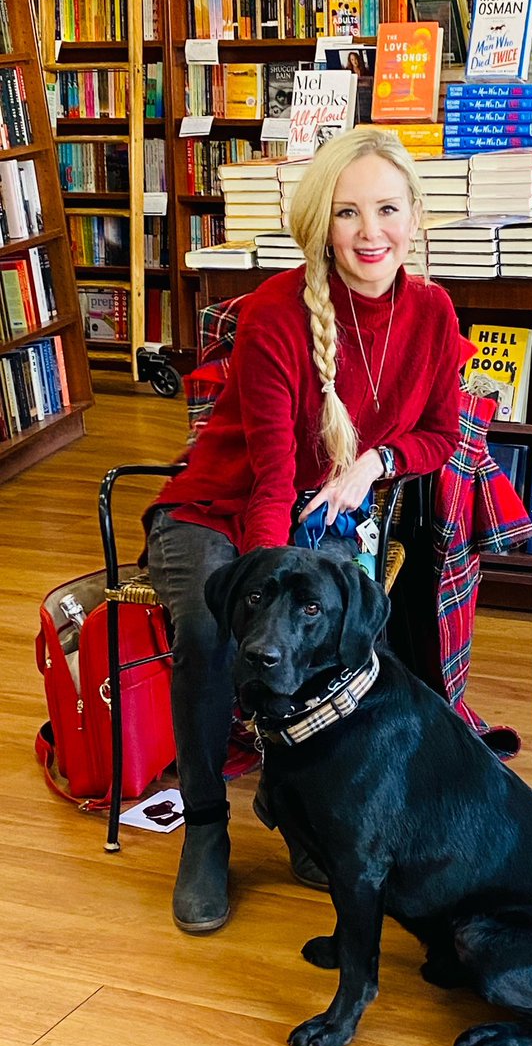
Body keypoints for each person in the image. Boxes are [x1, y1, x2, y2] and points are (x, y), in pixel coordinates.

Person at [144, 128, 463, 934]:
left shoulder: (431, 311)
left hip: (320, 507)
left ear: (414, 218)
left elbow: (440, 432)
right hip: (220, 506)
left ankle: (294, 806)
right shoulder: (275, 314)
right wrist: (260, 591)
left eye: (387, 210)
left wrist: (373, 463)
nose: (369, 232)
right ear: (321, 222)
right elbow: (268, 474)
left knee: (330, 635)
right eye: (347, 213)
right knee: (208, 630)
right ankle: (207, 826)